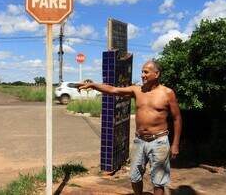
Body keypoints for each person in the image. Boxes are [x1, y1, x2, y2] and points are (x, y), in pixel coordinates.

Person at [78, 60, 182, 195]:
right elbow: (113, 89)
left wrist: (175, 144)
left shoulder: (167, 93)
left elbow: (177, 118)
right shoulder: (136, 90)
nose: (142, 75)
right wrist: (93, 85)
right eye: (142, 72)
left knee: (158, 181)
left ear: (156, 74)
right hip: (139, 140)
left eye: (146, 72)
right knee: (134, 176)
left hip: (159, 141)